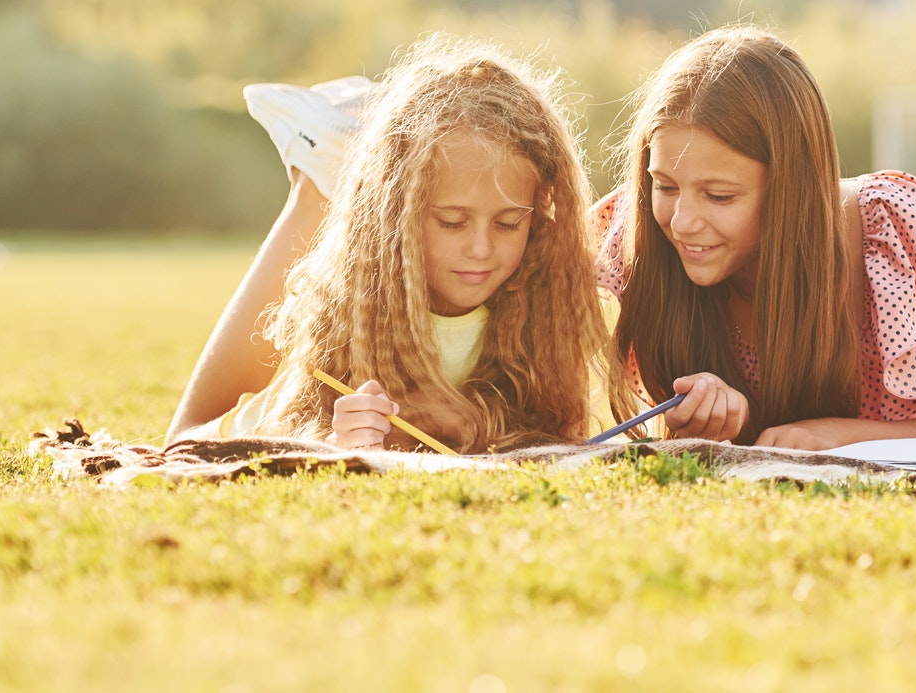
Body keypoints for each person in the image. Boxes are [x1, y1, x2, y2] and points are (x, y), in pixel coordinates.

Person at [168, 38, 623, 451]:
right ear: (398, 216)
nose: (482, 248)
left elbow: (557, 440)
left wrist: (472, 421)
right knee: (185, 435)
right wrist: (330, 436)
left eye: (507, 223)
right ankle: (316, 179)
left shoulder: (545, 292)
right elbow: (190, 445)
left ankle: (345, 153)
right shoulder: (355, 293)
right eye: (451, 222)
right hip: (258, 409)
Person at [598, 25, 916, 450]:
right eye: (665, 186)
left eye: (718, 196)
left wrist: (834, 433)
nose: (681, 222)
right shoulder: (635, 231)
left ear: (792, 189)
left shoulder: (887, 233)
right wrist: (716, 418)